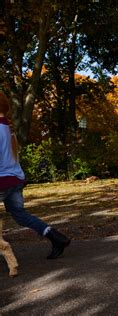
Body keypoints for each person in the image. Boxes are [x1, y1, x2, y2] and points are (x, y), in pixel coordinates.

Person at [0, 92, 70, 259]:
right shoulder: (8, 129)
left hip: (2, 181)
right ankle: (55, 236)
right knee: (21, 215)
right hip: (15, 179)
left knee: (20, 215)